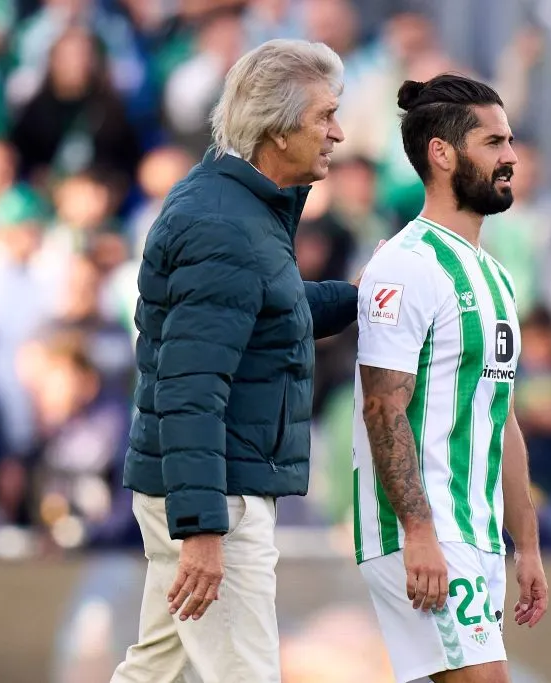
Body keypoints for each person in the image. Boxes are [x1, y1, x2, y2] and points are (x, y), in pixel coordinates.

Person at [111, 39, 359, 683]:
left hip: (206, 484)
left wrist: (361, 299)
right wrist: (202, 527)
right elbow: (189, 386)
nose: (337, 133)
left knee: (156, 672)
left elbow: (265, 312)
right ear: (277, 129)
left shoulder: (236, 208)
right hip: (216, 493)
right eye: (325, 116)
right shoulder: (225, 223)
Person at [352, 74, 548, 683]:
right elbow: (383, 407)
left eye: (509, 140)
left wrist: (526, 545)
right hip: (424, 531)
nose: (510, 156)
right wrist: (418, 533)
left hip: (478, 534)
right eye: (493, 142)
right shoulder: (405, 265)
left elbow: (499, 413)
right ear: (441, 153)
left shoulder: (496, 276)